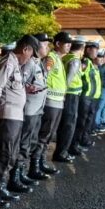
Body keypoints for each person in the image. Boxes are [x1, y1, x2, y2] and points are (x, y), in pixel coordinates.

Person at [0, 35, 38, 208]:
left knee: (11, 154)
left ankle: (0, 187)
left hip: (14, 116)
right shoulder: (8, 62)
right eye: (32, 53)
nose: (31, 57)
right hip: (6, 115)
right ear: (26, 49)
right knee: (2, 154)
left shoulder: (16, 65)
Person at [12, 32, 50, 188]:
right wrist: (29, 87)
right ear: (36, 46)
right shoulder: (30, 63)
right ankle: (15, 176)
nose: (47, 47)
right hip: (28, 109)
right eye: (45, 44)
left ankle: (22, 172)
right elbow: (22, 83)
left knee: (30, 142)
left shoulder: (38, 62)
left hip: (37, 109)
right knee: (23, 143)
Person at [32, 31, 72, 178]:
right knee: (44, 134)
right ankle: (35, 165)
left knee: (49, 135)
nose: (69, 46)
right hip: (50, 102)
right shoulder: (51, 58)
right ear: (58, 44)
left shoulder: (58, 59)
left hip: (58, 102)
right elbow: (44, 77)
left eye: (69, 44)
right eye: (66, 43)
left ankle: (41, 162)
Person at [53, 36, 85, 163]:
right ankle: (62, 152)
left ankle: (61, 151)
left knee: (64, 124)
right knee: (69, 125)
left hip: (66, 95)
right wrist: (64, 94)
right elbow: (68, 80)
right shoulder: (75, 60)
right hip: (71, 95)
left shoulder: (65, 58)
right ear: (82, 47)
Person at [72, 41, 101, 153]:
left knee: (87, 122)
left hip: (91, 98)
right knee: (81, 122)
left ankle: (82, 140)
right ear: (88, 50)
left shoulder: (90, 62)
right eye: (95, 50)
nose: (97, 53)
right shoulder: (85, 62)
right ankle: (75, 144)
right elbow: (77, 75)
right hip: (85, 97)